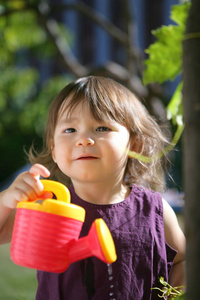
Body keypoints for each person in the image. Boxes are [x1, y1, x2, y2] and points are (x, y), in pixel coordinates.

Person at [0, 76, 185, 299]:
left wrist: (172, 293)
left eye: (101, 128)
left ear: (134, 144)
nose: (84, 140)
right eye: (70, 130)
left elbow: (183, 260)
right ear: (54, 150)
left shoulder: (154, 210)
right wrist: (6, 201)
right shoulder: (49, 208)